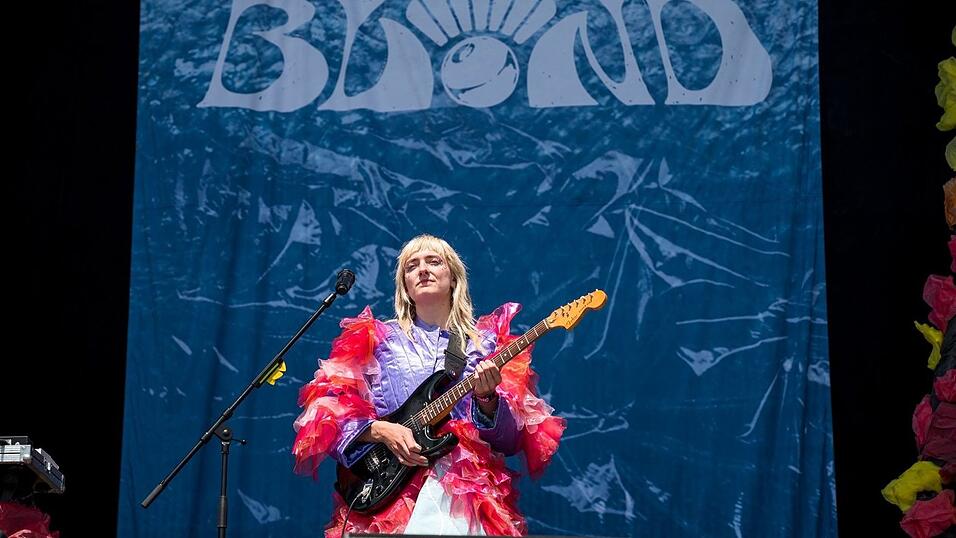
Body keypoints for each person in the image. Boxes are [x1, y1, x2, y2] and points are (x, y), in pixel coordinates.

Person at [292, 234, 565, 536]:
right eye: (412, 266)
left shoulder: (486, 344)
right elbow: (326, 412)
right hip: (390, 490)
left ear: (453, 277)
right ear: (405, 286)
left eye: (434, 261)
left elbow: (510, 441)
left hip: (462, 492)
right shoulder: (376, 340)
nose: (423, 269)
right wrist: (379, 430)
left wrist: (488, 400)